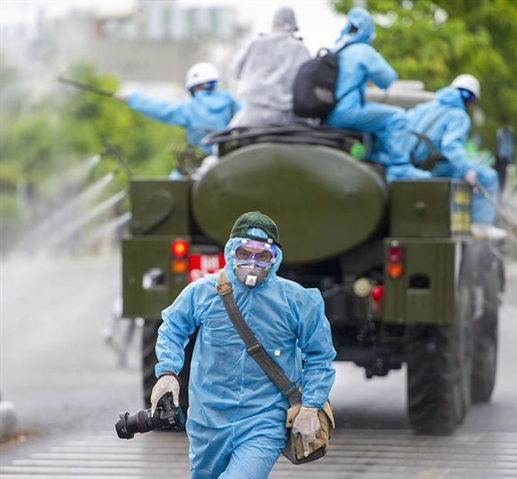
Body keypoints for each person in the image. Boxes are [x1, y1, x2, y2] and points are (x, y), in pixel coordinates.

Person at [150, 211, 336, 478]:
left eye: (263, 256)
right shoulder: (203, 292)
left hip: (264, 418)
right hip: (207, 420)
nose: (253, 263)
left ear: (275, 258)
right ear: (230, 252)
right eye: (244, 253)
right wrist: (168, 373)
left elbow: (320, 356)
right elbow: (172, 329)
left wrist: (310, 405)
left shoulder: (297, 301)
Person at [324, 6, 432, 183]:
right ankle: (400, 168)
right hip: (348, 112)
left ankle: (377, 160)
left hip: (329, 114)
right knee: (397, 118)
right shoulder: (362, 50)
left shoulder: (337, 48)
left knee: (374, 121)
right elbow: (387, 79)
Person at [407, 74, 508, 240]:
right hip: (435, 167)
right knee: (488, 176)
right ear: (472, 100)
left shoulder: (425, 107)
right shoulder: (458, 115)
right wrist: (466, 170)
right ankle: (482, 224)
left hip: (413, 165)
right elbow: (450, 146)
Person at [116, 62, 240, 158]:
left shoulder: (189, 107)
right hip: (231, 156)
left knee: (175, 182)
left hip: (201, 161)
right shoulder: (230, 100)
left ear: (193, 87)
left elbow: (161, 109)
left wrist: (132, 99)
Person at [229, 7, 311, 128]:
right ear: (294, 26)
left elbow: (235, 71)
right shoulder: (300, 49)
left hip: (252, 116)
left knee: (223, 144)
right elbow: (309, 81)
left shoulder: (255, 43)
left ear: (274, 23)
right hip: (290, 117)